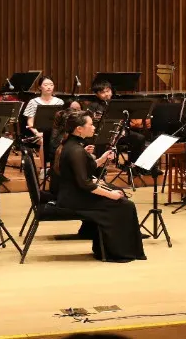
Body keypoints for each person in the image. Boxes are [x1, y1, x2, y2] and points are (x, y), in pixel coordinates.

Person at [57, 111, 146, 262]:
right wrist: (111, 195)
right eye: (91, 124)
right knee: (125, 205)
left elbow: (87, 168)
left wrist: (102, 159)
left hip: (75, 193)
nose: (94, 128)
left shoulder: (74, 145)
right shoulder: (75, 150)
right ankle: (115, 251)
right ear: (79, 129)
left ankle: (113, 248)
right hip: (74, 198)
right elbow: (85, 183)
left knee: (120, 195)